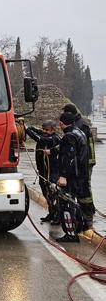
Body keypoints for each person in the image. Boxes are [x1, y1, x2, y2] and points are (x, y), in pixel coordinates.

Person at [56, 112, 89, 243]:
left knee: (66, 204)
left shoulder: (69, 136)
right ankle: (81, 226)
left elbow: (68, 158)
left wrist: (63, 176)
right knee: (76, 202)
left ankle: (70, 233)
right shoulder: (80, 133)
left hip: (71, 176)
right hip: (81, 174)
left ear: (61, 124)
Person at [62, 103, 96, 228]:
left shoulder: (80, 126)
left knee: (84, 187)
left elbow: (80, 147)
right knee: (82, 187)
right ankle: (82, 213)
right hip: (83, 161)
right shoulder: (79, 124)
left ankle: (87, 215)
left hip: (84, 162)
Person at [25, 120, 60, 224]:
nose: (44, 131)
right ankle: (52, 213)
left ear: (53, 130)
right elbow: (38, 132)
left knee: (52, 193)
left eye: (47, 130)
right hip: (42, 170)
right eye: (43, 129)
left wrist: (26, 130)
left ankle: (57, 215)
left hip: (51, 170)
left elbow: (38, 138)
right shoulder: (46, 135)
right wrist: (27, 126)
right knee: (45, 192)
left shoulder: (53, 138)